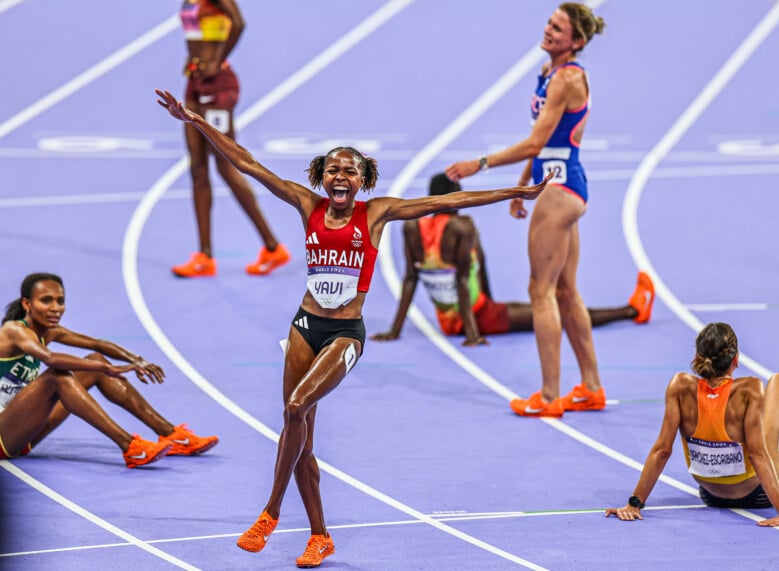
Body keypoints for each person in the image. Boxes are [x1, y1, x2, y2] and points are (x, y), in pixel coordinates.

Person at [155, 87, 553, 568]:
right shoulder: (307, 205)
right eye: (333, 169)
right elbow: (247, 163)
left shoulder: (377, 212)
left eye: (350, 170)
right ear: (321, 176)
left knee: (297, 408)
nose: (340, 175)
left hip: (345, 334)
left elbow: (454, 199)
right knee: (298, 433)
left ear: (363, 180)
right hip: (304, 326)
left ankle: (270, 512)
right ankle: (320, 536)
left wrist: (517, 191)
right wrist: (195, 119)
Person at [445, 3, 614, 419]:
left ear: (576, 41)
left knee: (539, 291)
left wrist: (479, 164)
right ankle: (591, 386)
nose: (550, 30)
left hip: (559, 189)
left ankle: (550, 394)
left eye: (560, 29)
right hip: (558, 183)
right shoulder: (549, 72)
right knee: (565, 290)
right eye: (550, 23)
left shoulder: (567, 79)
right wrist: (523, 185)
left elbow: (536, 143)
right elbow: (547, 139)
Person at [371, 173, 654, 347]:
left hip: (448, 320)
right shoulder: (462, 227)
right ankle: (631, 311)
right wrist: (473, 332)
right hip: (478, 316)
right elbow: (461, 280)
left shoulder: (412, 228)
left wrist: (394, 330)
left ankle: (631, 310)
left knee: (545, 308)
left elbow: (410, 278)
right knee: (559, 312)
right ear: (457, 197)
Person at [0, 273, 219, 468]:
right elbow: (51, 358)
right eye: (46, 300)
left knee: (93, 361)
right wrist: (107, 367)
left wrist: (136, 360)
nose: (55, 307)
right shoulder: (14, 330)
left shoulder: (49, 332)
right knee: (58, 377)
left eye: (60, 301)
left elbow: (98, 345)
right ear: (27, 304)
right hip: (3, 437)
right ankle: (131, 447)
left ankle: (172, 434)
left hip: (23, 430)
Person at [605, 323, 779, 527]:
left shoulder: (679, 386)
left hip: (710, 494)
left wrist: (634, 503)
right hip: (758, 495)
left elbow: (662, 450)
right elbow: (757, 455)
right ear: (736, 359)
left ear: (697, 356)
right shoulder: (750, 389)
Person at [173, 0, 290, 278]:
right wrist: (193, 60)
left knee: (227, 165)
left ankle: (273, 248)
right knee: (197, 169)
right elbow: (197, 34)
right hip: (194, 82)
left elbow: (238, 22)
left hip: (218, 86)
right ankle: (204, 256)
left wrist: (216, 59)